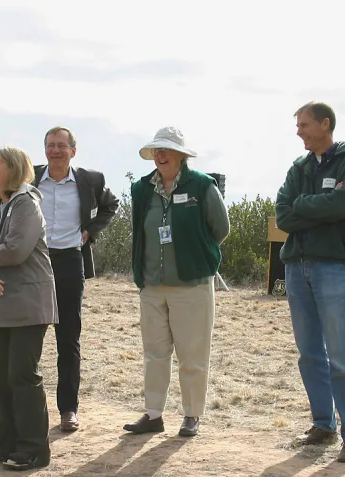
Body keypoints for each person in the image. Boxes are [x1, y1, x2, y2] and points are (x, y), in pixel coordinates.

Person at [275, 101, 345, 463]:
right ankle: (322, 424)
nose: (298, 131)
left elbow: (342, 205)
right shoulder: (298, 167)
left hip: (333, 267)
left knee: (340, 356)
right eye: (297, 125)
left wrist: (304, 207)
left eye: (304, 124)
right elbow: (283, 214)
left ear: (325, 124)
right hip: (296, 267)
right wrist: (314, 207)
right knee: (310, 354)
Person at [122, 127, 229, 438]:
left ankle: (191, 415)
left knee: (192, 353)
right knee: (154, 351)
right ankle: (153, 414)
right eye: (157, 150)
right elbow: (140, 231)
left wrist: (196, 254)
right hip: (152, 284)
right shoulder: (142, 189)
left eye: (167, 149)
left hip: (192, 283)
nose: (161, 154)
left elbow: (220, 228)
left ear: (182, 155)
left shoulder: (202, 186)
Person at [32, 126, 120, 432]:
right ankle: (28, 410)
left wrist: (90, 232)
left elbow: (111, 204)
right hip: (34, 263)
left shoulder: (89, 180)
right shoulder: (29, 178)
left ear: (73, 151)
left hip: (70, 262)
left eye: (61, 146)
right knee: (30, 337)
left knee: (68, 339)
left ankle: (68, 409)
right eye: (50, 146)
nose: (55, 151)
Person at [0, 146, 55, 471]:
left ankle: (34, 450)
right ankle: (7, 444)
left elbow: (15, 251)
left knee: (22, 375)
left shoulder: (27, 204)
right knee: (3, 377)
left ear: (14, 168)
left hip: (30, 303)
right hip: (4, 304)